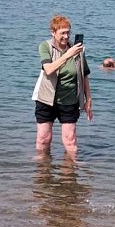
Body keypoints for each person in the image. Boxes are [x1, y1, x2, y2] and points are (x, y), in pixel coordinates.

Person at [32, 15, 92, 157]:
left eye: (68, 32)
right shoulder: (45, 46)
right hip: (46, 99)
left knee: (70, 140)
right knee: (43, 139)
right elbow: (48, 69)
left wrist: (88, 99)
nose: (66, 36)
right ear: (53, 33)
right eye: (62, 33)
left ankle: (70, 173)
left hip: (69, 100)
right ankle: (42, 172)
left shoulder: (77, 50)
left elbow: (84, 75)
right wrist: (67, 55)